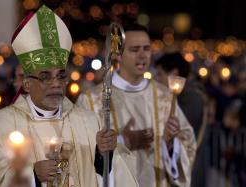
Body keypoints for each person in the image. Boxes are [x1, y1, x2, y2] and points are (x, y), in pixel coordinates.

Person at [0, 5, 138, 187]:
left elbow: (119, 172)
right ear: (27, 84)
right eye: (45, 77)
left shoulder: (90, 122)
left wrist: (103, 156)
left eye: (61, 76)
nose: (55, 83)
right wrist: (33, 175)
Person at [77, 24, 196, 187]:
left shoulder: (164, 97)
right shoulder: (92, 100)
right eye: (134, 49)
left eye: (146, 49)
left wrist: (169, 143)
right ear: (118, 55)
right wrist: (122, 141)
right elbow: (80, 151)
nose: (142, 55)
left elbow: (188, 145)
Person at [155, 52, 207, 187]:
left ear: (174, 73)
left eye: (160, 74)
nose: (157, 78)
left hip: (188, 166)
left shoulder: (191, 98)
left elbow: (185, 131)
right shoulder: (179, 96)